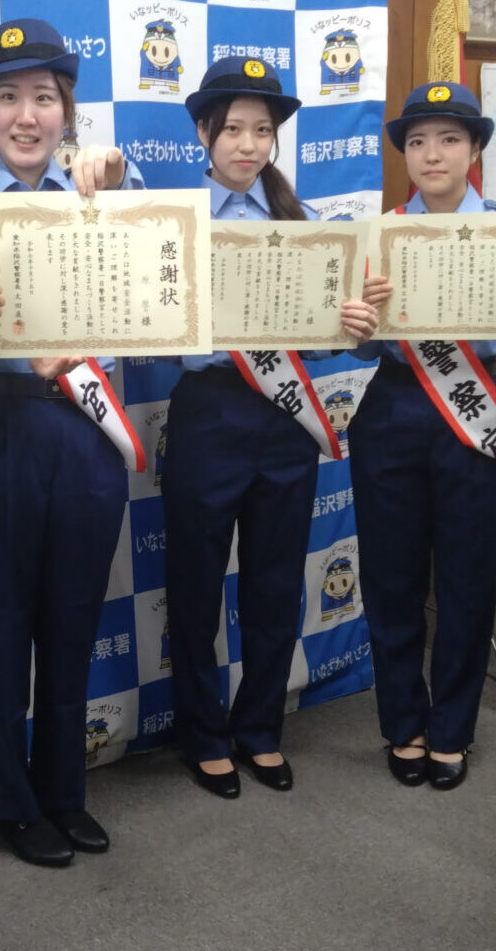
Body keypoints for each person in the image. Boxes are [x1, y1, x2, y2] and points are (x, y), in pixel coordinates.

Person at [0, 17, 142, 868]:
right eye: (7, 97)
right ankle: (6, 803)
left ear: (67, 112)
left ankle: (64, 792)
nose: (26, 115)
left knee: (74, 621)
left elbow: (158, 287)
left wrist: (115, 181)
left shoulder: (107, 198)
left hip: (83, 435)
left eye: (44, 98)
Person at [164, 56, 378, 799]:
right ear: (204, 133)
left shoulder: (301, 222)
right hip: (208, 411)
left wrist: (348, 325)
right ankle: (203, 734)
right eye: (233, 129)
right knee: (195, 586)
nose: (248, 144)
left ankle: (259, 729)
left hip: (284, 418)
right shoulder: (175, 221)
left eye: (262, 130)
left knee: (276, 582)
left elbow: (322, 342)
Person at [352, 81, 496, 792]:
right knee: (391, 581)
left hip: (477, 408)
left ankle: (453, 727)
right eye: (418, 142)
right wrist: (361, 323)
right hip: (392, 411)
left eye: (450, 139)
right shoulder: (378, 235)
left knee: (468, 581)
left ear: (475, 149)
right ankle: (405, 723)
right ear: (405, 154)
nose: (433, 154)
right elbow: (355, 344)